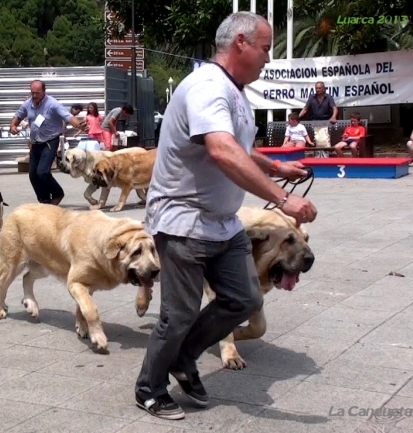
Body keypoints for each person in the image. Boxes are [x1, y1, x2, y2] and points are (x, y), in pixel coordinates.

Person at [133, 11, 317, 421]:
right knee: (179, 313)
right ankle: (149, 386)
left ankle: (183, 358)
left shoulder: (233, 92)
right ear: (240, 43)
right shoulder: (206, 87)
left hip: (223, 221)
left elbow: (237, 146)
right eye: (266, 48)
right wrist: (282, 198)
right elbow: (220, 149)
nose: (268, 58)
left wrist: (275, 167)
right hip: (183, 220)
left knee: (245, 298)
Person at [9, 80, 87, 205]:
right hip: (35, 143)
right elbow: (18, 116)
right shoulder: (27, 104)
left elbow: (68, 116)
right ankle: (44, 200)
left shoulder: (52, 104)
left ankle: (57, 193)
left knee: (43, 172)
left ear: (44, 91)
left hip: (50, 142)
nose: (34, 96)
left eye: (37, 93)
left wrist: (79, 125)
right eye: (32, 93)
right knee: (33, 175)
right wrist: (13, 126)